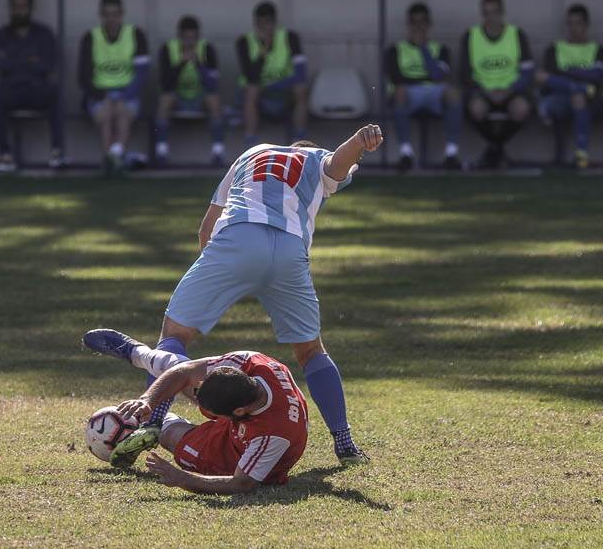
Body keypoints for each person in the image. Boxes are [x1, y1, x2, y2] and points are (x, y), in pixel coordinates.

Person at [85, 124, 383, 466]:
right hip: (290, 250)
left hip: (236, 240)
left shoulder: (251, 154)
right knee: (312, 351)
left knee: (175, 335)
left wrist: (215, 277)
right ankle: (344, 441)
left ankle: (153, 421)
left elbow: (207, 228)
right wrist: (358, 143)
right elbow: (337, 164)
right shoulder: (313, 159)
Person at [85, 333, 308, 494]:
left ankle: (155, 426)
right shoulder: (252, 361)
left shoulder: (274, 433)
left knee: (168, 434)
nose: (195, 399)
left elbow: (241, 483)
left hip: (234, 454)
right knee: (179, 368)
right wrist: (147, 400)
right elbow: (185, 372)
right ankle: (136, 352)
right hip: (248, 415)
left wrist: (183, 479)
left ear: (237, 412)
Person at [0, 0, 62, 173]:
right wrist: (30, 60)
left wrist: (14, 60)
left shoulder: (44, 33)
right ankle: (5, 154)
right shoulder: (0, 35)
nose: (19, 10)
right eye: (15, 6)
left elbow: (48, 64)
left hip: (37, 88)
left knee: (57, 95)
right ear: (10, 8)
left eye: (23, 6)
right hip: (10, 89)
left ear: (30, 8)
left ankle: (57, 152)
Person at [77, 0, 150, 176]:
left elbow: (142, 74)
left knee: (122, 112)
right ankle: (113, 161)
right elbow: (83, 77)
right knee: (106, 114)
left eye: (115, 14)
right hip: (99, 94)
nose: (111, 19)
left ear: (122, 14)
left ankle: (113, 159)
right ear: (101, 15)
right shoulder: (90, 37)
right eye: (107, 15)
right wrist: (104, 96)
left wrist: (124, 97)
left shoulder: (136, 34)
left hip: (128, 92)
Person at [458, 0, 534, 169]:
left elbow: (527, 72)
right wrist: (486, 91)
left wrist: (509, 90)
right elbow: (464, 74)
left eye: (495, 12)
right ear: (481, 14)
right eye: (486, 13)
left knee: (521, 109)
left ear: (502, 12)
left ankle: (493, 149)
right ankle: (498, 149)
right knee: (476, 109)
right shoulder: (470, 35)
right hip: (482, 91)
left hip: (511, 90)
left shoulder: (517, 34)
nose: (491, 18)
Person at [384, 2, 462, 171]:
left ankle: (451, 154)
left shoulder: (440, 49)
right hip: (409, 94)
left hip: (434, 94)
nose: (418, 27)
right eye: (414, 22)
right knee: (400, 92)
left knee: (453, 93)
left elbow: (439, 75)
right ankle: (405, 154)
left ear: (429, 24)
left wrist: (423, 49)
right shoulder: (396, 49)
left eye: (422, 22)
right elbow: (396, 78)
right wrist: (425, 78)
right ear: (408, 24)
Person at [534, 4, 603, 169]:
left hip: (592, 100)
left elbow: (597, 77)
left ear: (586, 25)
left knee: (579, 98)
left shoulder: (598, 50)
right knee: (541, 78)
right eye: (570, 23)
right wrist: (581, 78)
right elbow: (547, 80)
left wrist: (568, 72)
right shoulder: (554, 48)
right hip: (560, 97)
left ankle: (581, 153)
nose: (573, 28)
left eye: (578, 23)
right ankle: (579, 89)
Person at [154, 15, 225, 167]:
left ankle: (218, 151)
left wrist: (198, 63)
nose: (190, 42)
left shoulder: (207, 49)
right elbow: (164, 84)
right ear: (179, 36)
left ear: (198, 36)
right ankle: (161, 151)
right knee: (164, 100)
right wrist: (181, 63)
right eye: (186, 38)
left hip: (199, 97)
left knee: (214, 100)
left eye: (193, 38)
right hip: (178, 97)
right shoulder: (168, 49)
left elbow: (213, 85)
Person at [236, 1, 308, 146]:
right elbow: (250, 76)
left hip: (283, 86)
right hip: (257, 89)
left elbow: (301, 73)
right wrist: (264, 50)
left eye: (268, 23)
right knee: (252, 90)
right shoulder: (244, 41)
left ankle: (299, 136)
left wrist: (274, 85)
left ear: (275, 23)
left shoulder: (290, 37)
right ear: (255, 23)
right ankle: (250, 137)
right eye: (260, 24)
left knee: (301, 88)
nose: (264, 28)